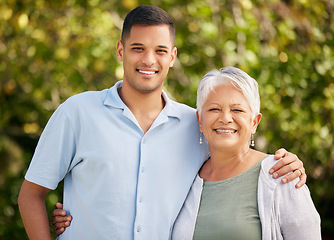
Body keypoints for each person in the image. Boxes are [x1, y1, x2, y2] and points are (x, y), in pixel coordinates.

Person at [18, 6, 305, 240]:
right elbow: (31, 195)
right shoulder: (77, 112)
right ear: (120, 51)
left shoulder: (197, 125)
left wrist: (286, 163)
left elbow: (234, 157)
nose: (148, 60)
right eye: (137, 48)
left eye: (160, 51)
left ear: (173, 57)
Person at [171, 66, 321, 239]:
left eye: (237, 110)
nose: (225, 118)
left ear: (254, 122)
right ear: (200, 120)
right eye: (214, 109)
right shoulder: (187, 178)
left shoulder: (281, 173)